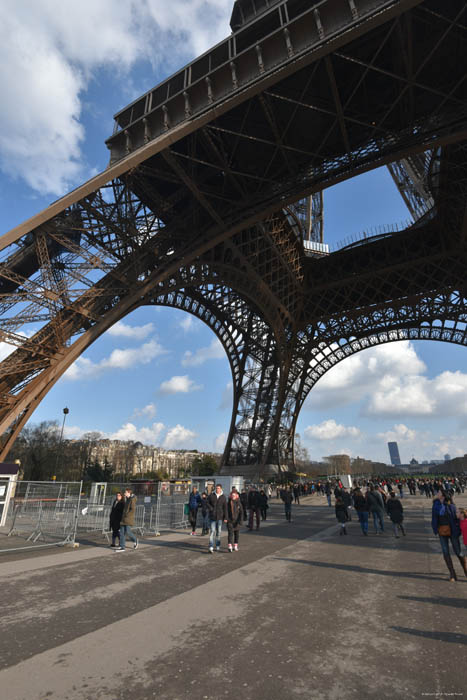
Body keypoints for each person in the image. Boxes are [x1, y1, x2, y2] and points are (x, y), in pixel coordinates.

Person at [431, 492, 466, 581]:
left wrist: (457, 531)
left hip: (453, 532)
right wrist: (435, 528)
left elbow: (457, 519)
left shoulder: (451, 506)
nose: (437, 493)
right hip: (442, 531)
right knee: (445, 552)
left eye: (439, 492)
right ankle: (452, 573)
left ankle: (466, 571)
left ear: (443, 495)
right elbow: (434, 518)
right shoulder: (435, 505)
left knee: (458, 552)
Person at [115, 488, 138, 552]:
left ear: (128, 493)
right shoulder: (127, 499)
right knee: (121, 533)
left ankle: (135, 540)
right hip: (123, 519)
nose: (124, 493)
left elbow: (132, 509)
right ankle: (122, 547)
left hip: (128, 519)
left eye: (125, 492)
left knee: (128, 532)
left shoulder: (132, 499)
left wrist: (127, 515)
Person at [207, 484, 227, 553]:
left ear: (221, 489)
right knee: (212, 531)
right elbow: (207, 502)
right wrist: (211, 508)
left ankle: (218, 545)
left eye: (218, 488)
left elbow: (225, 508)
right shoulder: (212, 495)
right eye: (216, 488)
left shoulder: (223, 497)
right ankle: (211, 546)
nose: (217, 489)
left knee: (218, 532)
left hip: (220, 517)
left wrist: (226, 517)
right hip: (212, 516)